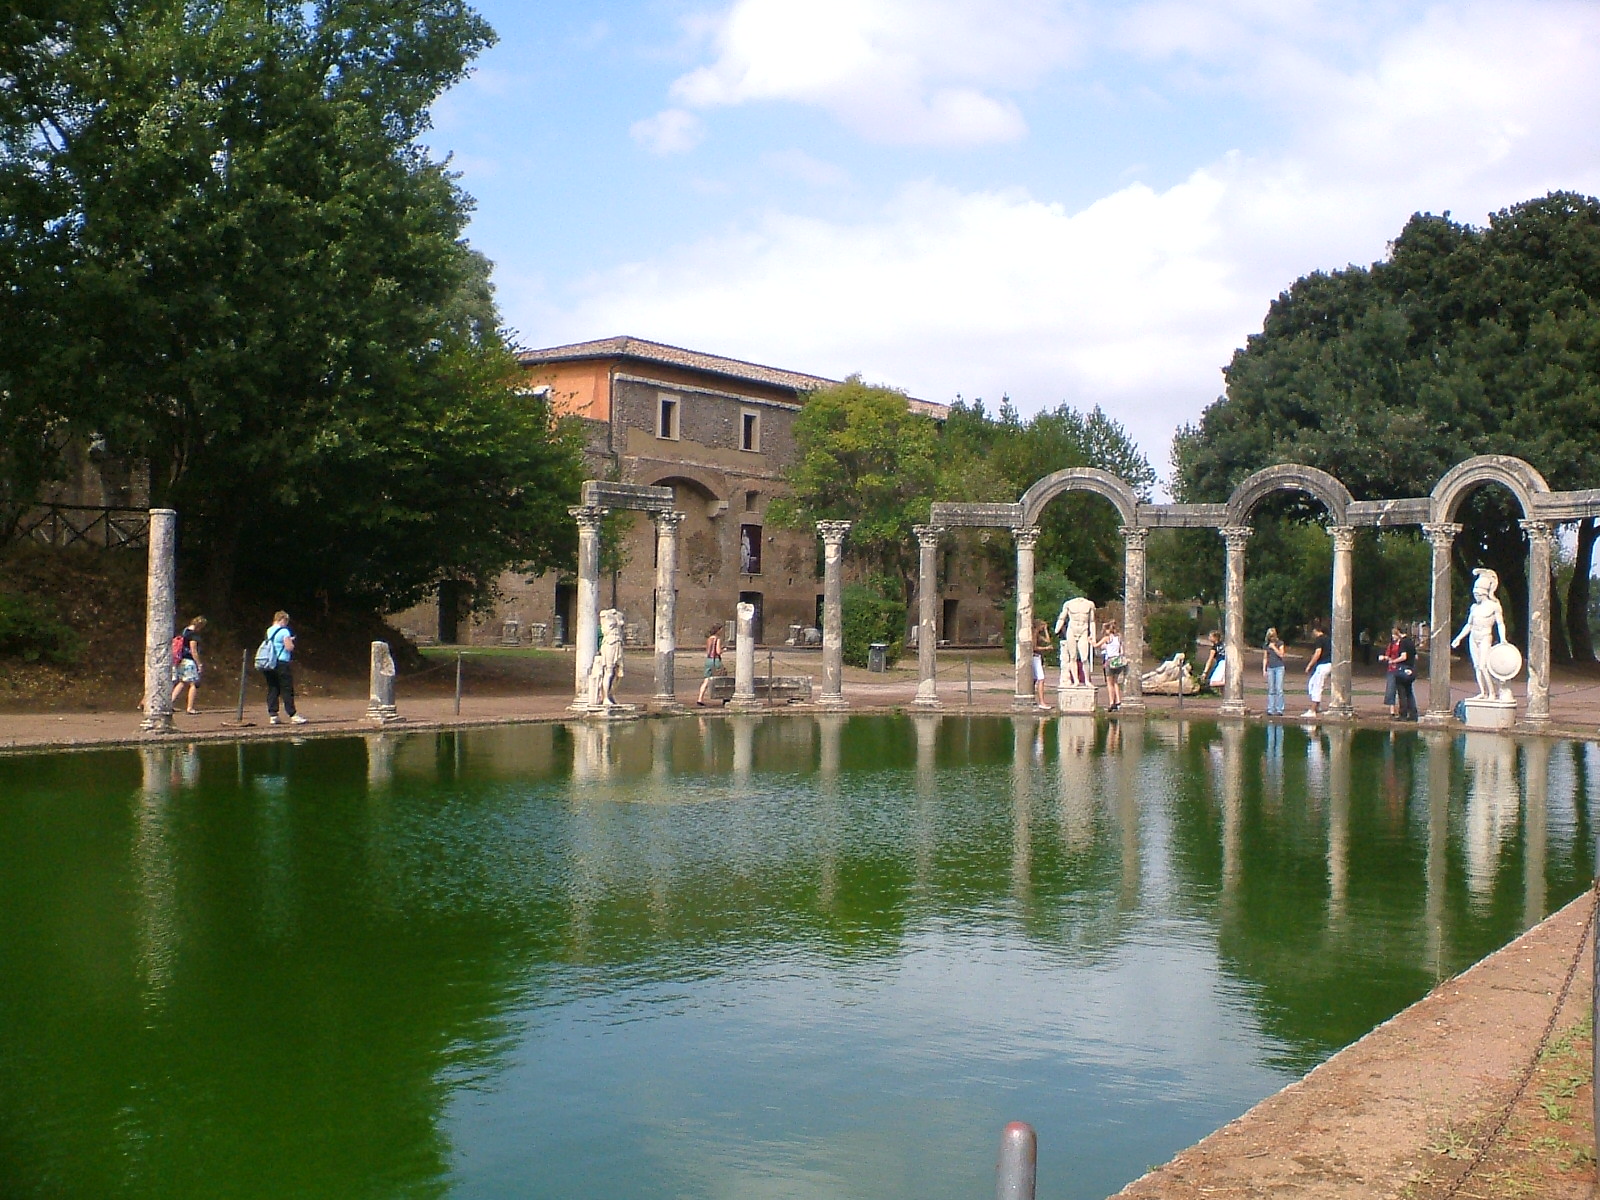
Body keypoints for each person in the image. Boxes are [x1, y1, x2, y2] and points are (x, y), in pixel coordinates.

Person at [1451, 568, 1509, 700]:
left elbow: (1500, 623)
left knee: (1484, 666)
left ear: (1484, 594)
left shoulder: (1494, 605)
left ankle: (1492, 693)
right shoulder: (1474, 607)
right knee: (1477, 666)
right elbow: (1469, 624)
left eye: (1478, 594)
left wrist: (1503, 639)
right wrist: (1458, 638)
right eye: (1475, 594)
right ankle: (1483, 692)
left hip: (1485, 636)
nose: (1476, 597)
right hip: (1474, 637)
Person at [259, 611, 306, 725]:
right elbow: (289, 647)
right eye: (286, 621)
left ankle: (273, 715)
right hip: (282, 662)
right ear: (283, 620)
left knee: (273, 688)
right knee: (287, 689)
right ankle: (293, 715)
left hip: (270, 663)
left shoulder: (269, 630)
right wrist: (291, 641)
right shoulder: (284, 631)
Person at [170, 615, 207, 715]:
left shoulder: (185, 631)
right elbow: (193, 650)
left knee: (182, 682)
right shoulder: (194, 635)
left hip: (181, 660)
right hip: (189, 661)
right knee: (193, 684)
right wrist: (199, 664)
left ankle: (170, 704)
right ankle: (190, 708)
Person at [1302, 619, 1332, 718]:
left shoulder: (1320, 639)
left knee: (1317, 686)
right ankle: (1317, 706)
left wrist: (1310, 665)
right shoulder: (1328, 639)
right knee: (1312, 684)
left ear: (1316, 630)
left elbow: (1317, 653)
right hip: (1327, 664)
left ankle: (1313, 710)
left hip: (1323, 665)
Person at [1392, 624, 1419, 720]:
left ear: (1398, 632)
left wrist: (1393, 661)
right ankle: (1413, 714)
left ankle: (1403, 714)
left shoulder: (1403, 642)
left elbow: (1404, 656)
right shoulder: (1411, 641)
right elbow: (1416, 656)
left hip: (1403, 669)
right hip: (1411, 669)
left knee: (1402, 692)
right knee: (1409, 692)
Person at [1097, 619, 1125, 711]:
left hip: (1109, 661)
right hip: (1117, 661)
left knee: (1109, 683)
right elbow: (1122, 651)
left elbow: (1096, 645)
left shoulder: (1107, 638)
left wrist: (1090, 641)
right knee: (1115, 682)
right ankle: (1118, 701)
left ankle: (1111, 702)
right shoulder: (1119, 638)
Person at [696, 622, 724, 706]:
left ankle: (700, 698)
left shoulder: (709, 639)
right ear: (718, 630)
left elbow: (708, 650)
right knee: (722, 678)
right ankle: (725, 698)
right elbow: (718, 651)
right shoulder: (717, 639)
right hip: (715, 660)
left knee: (706, 680)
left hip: (708, 660)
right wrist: (724, 650)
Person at [1262, 627, 1287, 716]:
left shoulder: (1280, 643)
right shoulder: (1266, 645)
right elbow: (1265, 657)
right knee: (1271, 689)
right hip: (1270, 668)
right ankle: (1271, 709)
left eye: (1273, 636)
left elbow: (1281, 654)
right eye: (1270, 636)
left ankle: (1280, 709)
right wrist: (1264, 669)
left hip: (1279, 667)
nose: (1272, 638)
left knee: (1279, 689)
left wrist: (1274, 647)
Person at [1379, 628, 1403, 717]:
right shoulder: (1391, 645)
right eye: (1392, 635)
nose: (1393, 636)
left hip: (1400, 667)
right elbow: (1387, 655)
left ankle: (1403, 709)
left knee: (1402, 689)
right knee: (1391, 689)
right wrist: (1385, 658)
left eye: (1395, 634)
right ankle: (1392, 711)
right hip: (1391, 668)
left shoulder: (1402, 644)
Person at [1032, 617, 1053, 708]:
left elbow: (1048, 641)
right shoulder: (1034, 634)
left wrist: (1046, 630)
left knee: (1035, 679)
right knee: (1041, 678)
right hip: (1034, 657)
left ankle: (1036, 699)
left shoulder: (1038, 634)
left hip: (1037, 657)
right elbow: (1034, 647)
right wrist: (1046, 648)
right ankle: (1041, 702)